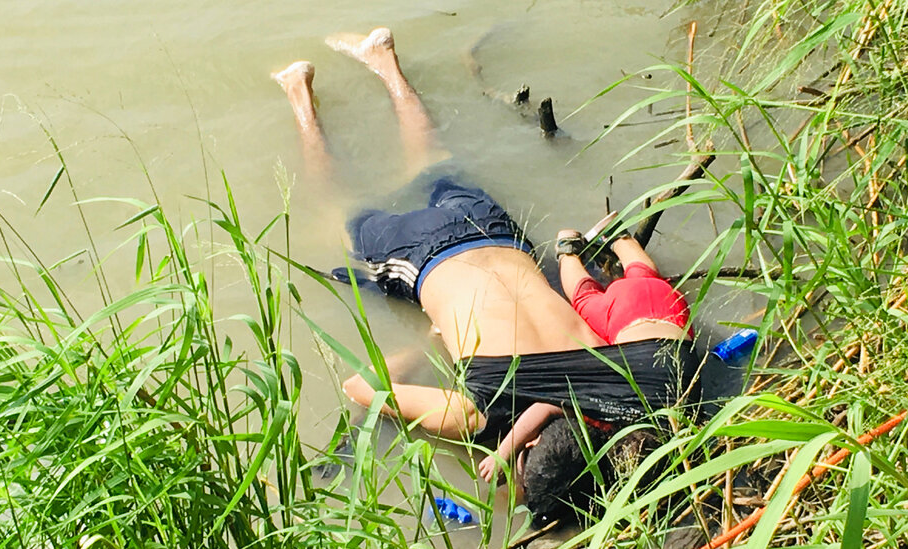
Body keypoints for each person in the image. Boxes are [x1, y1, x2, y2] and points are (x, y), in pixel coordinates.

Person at [274, 28, 701, 455]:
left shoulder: (614, 373)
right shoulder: (478, 414)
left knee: (434, 161)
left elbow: (643, 314)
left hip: (499, 235)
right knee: (337, 211)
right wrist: (427, 342)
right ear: (529, 443)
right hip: (424, 255)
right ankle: (298, 90)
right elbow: (360, 386)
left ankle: (384, 61)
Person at [477, 225, 696, 483]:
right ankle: (567, 249)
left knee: (643, 274)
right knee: (583, 297)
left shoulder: (680, 421)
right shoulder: (610, 411)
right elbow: (546, 406)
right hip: (625, 316)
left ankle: (620, 239)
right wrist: (503, 453)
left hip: (671, 309)